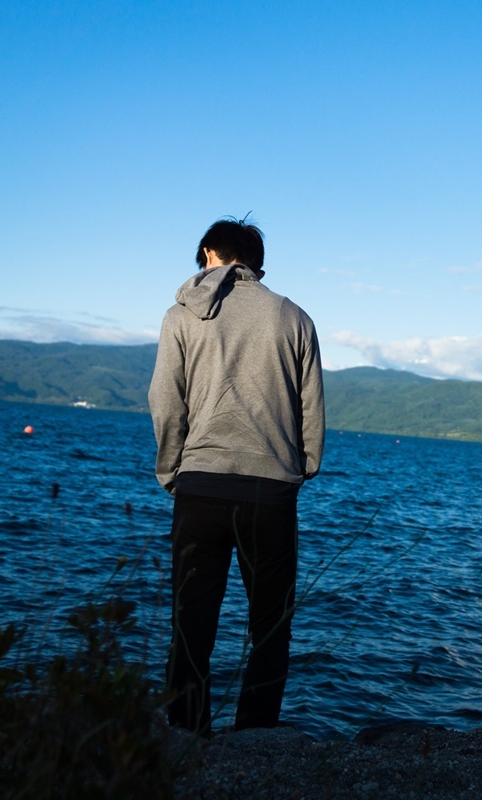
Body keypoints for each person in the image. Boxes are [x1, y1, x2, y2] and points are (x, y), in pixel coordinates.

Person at [149, 216, 324, 734]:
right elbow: (310, 408)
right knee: (270, 627)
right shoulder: (294, 318)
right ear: (257, 266)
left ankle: (185, 736)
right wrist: (300, 468)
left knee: (190, 626)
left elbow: (164, 402)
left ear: (207, 254)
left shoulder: (179, 316)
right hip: (271, 492)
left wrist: (172, 472)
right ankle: (255, 740)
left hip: (199, 485)